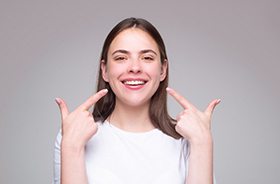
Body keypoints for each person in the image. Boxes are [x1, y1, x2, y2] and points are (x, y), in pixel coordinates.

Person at [53, 17, 220, 184]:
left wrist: (202, 143)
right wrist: (72, 147)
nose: (135, 67)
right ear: (104, 70)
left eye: (147, 58)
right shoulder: (74, 135)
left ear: (162, 70)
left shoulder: (190, 139)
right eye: (121, 58)